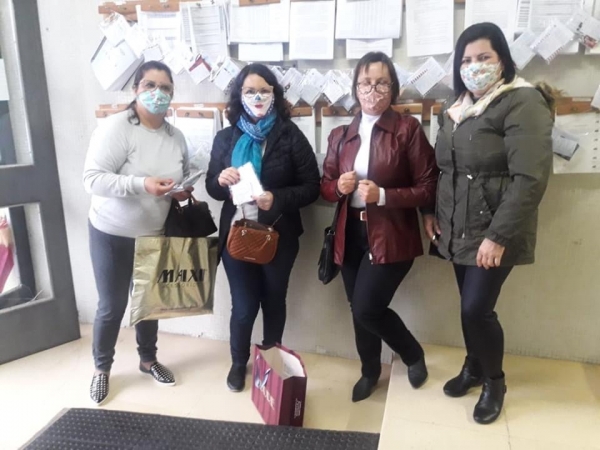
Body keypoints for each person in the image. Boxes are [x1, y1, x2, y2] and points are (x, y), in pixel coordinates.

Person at [425, 23, 553, 424]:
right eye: (466, 60)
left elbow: (531, 178)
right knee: (468, 306)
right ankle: (473, 366)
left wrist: (498, 236)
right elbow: (444, 168)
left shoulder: (522, 101)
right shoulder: (455, 105)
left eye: (484, 57)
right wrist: (431, 212)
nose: (474, 67)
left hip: (495, 228)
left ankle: (494, 382)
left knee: (476, 310)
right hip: (456, 225)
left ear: (502, 60)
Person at [321, 52, 438, 402]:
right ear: (355, 88)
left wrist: (383, 195)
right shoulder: (340, 134)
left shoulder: (407, 129)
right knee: (358, 310)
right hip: (350, 234)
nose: (373, 90)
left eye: (382, 83)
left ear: (394, 87)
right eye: (365, 83)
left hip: (391, 233)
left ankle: (413, 354)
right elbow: (324, 187)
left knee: (367, 307)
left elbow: (428, 186)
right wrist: (337, 187)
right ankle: (370, 371)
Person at [83, 61, 193, 405]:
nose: (158, 93)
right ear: (135, 89)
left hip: (154, 233)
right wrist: (142, 184)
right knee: (111, 306)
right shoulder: (117, 129)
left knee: (149, 304)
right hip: (111, 233)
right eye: (150, 85)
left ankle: (148, 360)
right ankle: (102, 369)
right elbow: (92, 179)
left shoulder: (176, 137)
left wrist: (180, 192)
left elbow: (180, 175)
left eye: (165, 88)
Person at [206, 63, 320, 392]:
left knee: (273, 301)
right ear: (239, 96)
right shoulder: (226, 138)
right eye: (249, 91)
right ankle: (238, 362)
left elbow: (312, 187)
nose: (257, 97)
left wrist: (277, 199)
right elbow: (212, 188)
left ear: (274, 94)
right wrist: (220, 180)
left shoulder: (290, 135)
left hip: (279, 236)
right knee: (243, 308)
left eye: (264, 91)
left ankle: (270, 360)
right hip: (237, 235)